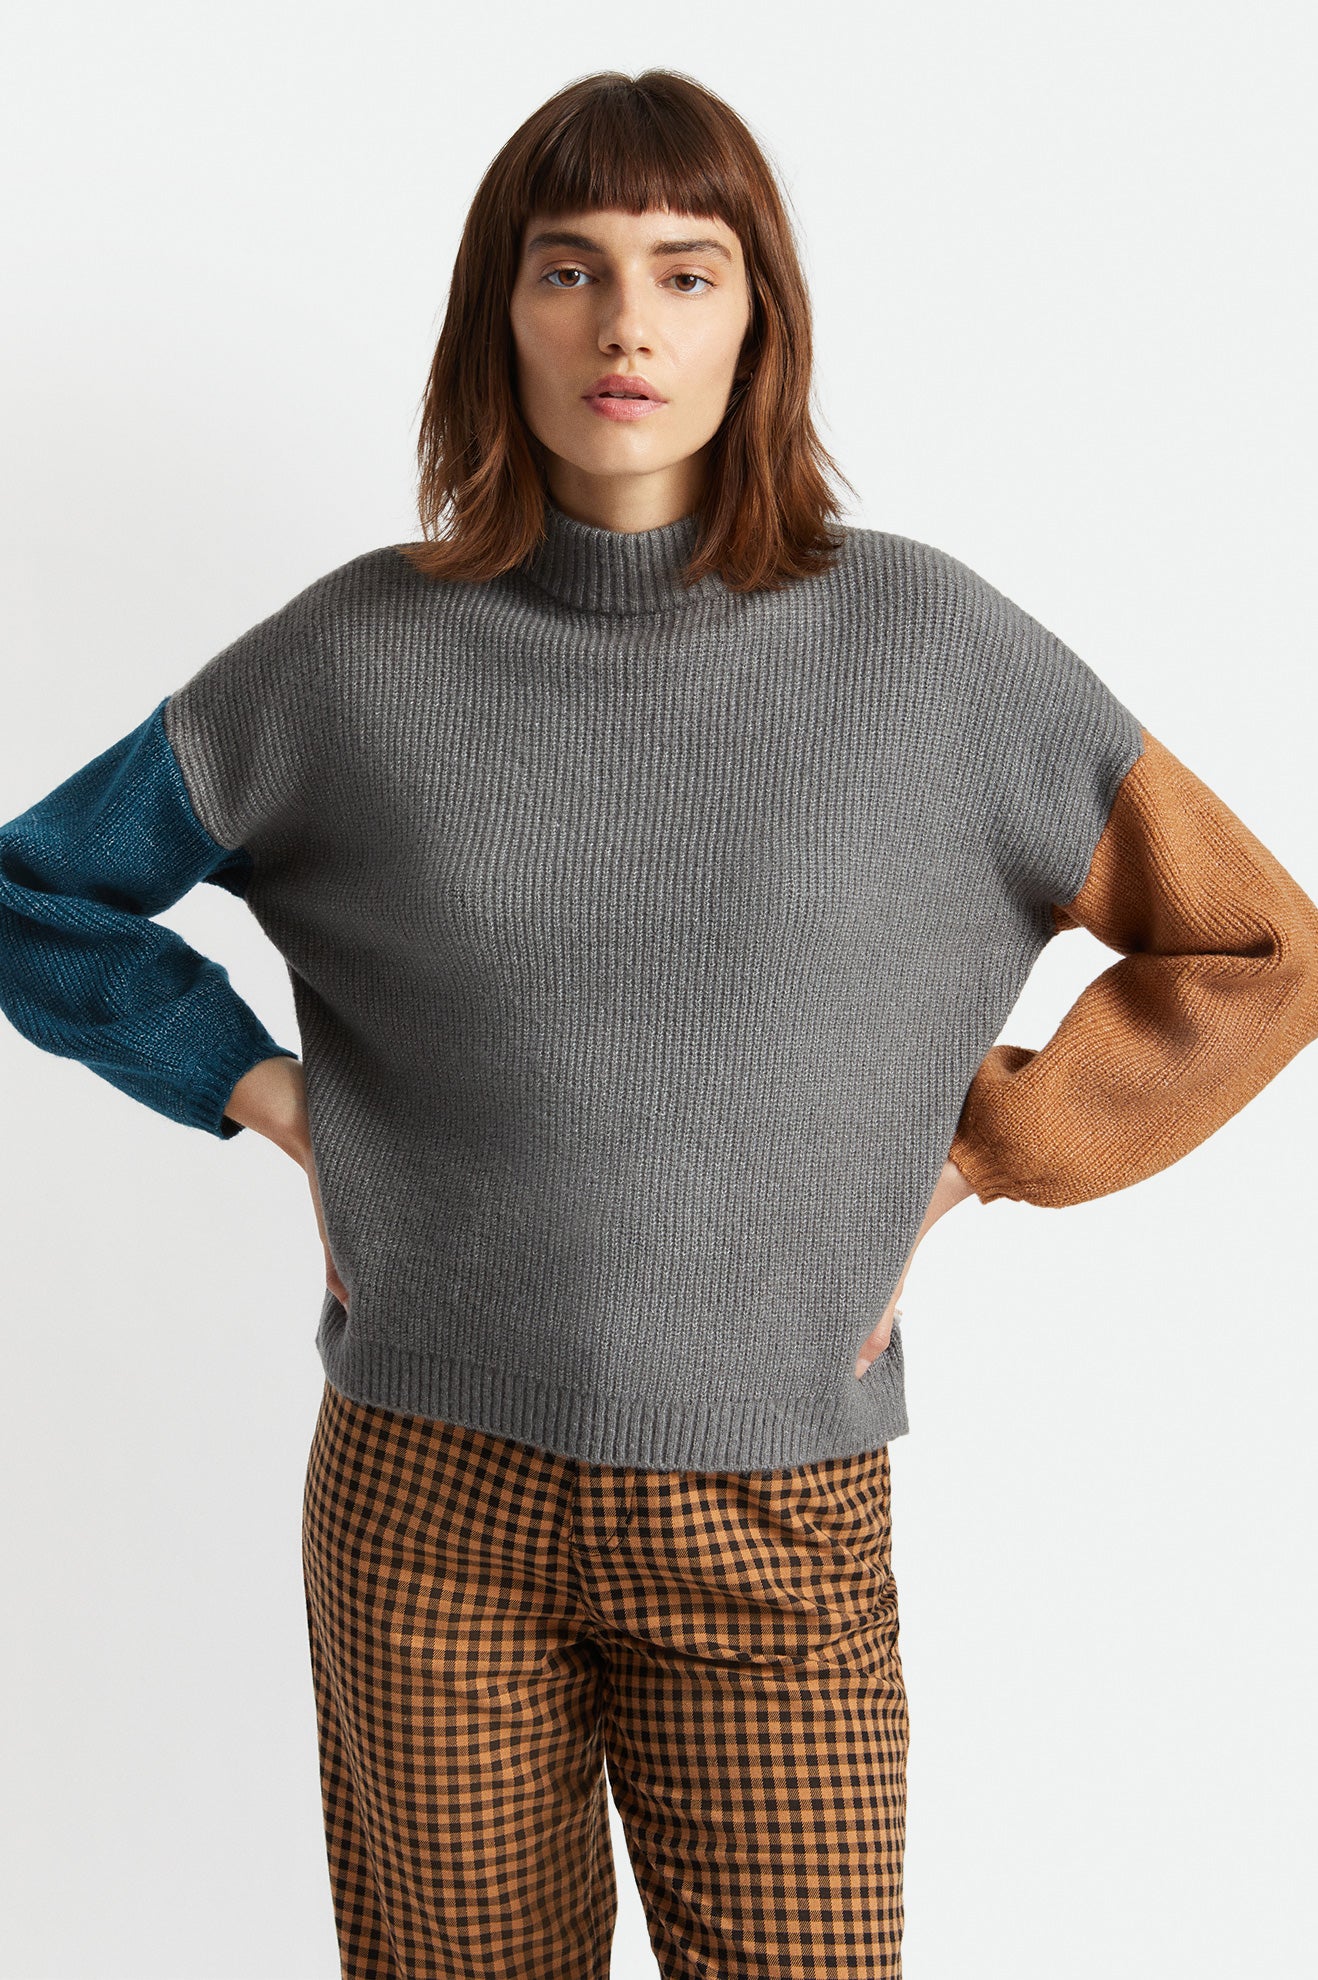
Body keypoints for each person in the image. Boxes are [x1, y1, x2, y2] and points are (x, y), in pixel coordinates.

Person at [3, 66, 1316, 1980]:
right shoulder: (349, 659)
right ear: (499, 313)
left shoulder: (934, 655)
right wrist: (263, 1094)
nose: (626, 323)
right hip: (424, 1500)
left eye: (686, 272)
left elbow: (1256, 946)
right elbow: (35, 891)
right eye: (571, 268)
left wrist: (984, 1154)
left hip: (772, 1499)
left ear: (755, 319)